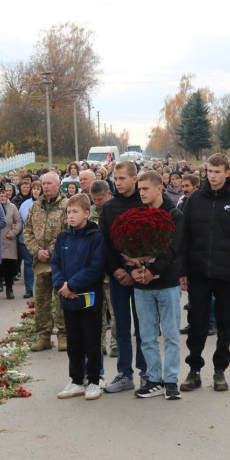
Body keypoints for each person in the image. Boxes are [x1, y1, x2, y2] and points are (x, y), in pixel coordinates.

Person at [179, 153, 230, 392]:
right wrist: (183, 270)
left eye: (217, 172)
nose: (213, 176)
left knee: (224, 324)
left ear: (227, 173)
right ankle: (194, 370)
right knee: (197, 323)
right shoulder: (195, 199)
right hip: (199, 272)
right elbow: (185, 238)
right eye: (209, 171)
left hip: (227, 275)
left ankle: (220, 370)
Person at [131, 171, 185, 399]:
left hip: (167, 283)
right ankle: (153, 379)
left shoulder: (175, 215)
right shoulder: (136, 215)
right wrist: (132, 267)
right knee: (147, 335)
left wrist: (154, 270)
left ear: (158, 188)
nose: (141, 193)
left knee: (171, 335)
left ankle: (171, 380)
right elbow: (129, 244)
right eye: (139, 189)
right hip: (142, 286)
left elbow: (173, 249)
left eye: (145, 189)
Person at [99, 161, 149, 392]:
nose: (117, 183)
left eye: (122, 178)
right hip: (118, 277)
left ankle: (146, 371)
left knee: (143, 327)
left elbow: (154, 240)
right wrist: (117, 270)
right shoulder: (109, 208)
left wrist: (137, 269)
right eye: (115, 179)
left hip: (142, 276)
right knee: (121, 326)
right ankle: (124, 374)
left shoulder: (146, 203)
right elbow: (104, 244)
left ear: (134, 179)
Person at [51, 194, 106, 401]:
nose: (70, 216)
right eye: (68, 212)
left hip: (88, 298)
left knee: (91, 341)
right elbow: (55, 263)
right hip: (68, 298)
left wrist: (72, 284)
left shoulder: (96, 237)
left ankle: (93, 380)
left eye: (75, 212)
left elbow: (95, 267)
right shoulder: (63, 237)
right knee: (73, 341)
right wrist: (61, 285)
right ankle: (75, 380)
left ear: (86, 213)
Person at [23, 172, 69, 351]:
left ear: (58, 186)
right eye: (44, 184)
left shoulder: (66, 205)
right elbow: (27, 231)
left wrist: (50, 250)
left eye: (50, 183)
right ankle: (43, 336)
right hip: (40, 262)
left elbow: (67, 230)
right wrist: (37, 251)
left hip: (59, 261)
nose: (46, 187)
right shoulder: (35, 207)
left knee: (61, 300)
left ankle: (63, 335)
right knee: (41, 300)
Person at [89, 179, 117, 359]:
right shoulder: (89, 214)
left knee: (116, 312)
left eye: (100, 199)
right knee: (96, 313)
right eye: (94, 199)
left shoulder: (115, 210)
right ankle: (99, 344)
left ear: (108, 194)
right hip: (95, 273)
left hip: (112, 270)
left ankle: (115, 343)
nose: (97, 203)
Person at [0, 187, 22, 300]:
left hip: (9, 240)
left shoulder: (12, 207)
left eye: (4, 196)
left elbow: (18, 221)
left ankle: (9, 288)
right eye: (0, 196)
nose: (2, 198)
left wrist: (14, 232)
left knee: (9, 267)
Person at [17, 179, 40, 299]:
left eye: (38, 189)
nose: (36, 191)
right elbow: (21, 220)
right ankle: (29, 289)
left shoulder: (44, 204)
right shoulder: (25, 204)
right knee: (28, 263)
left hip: (41, 240)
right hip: (26, 239)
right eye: (34, 189)